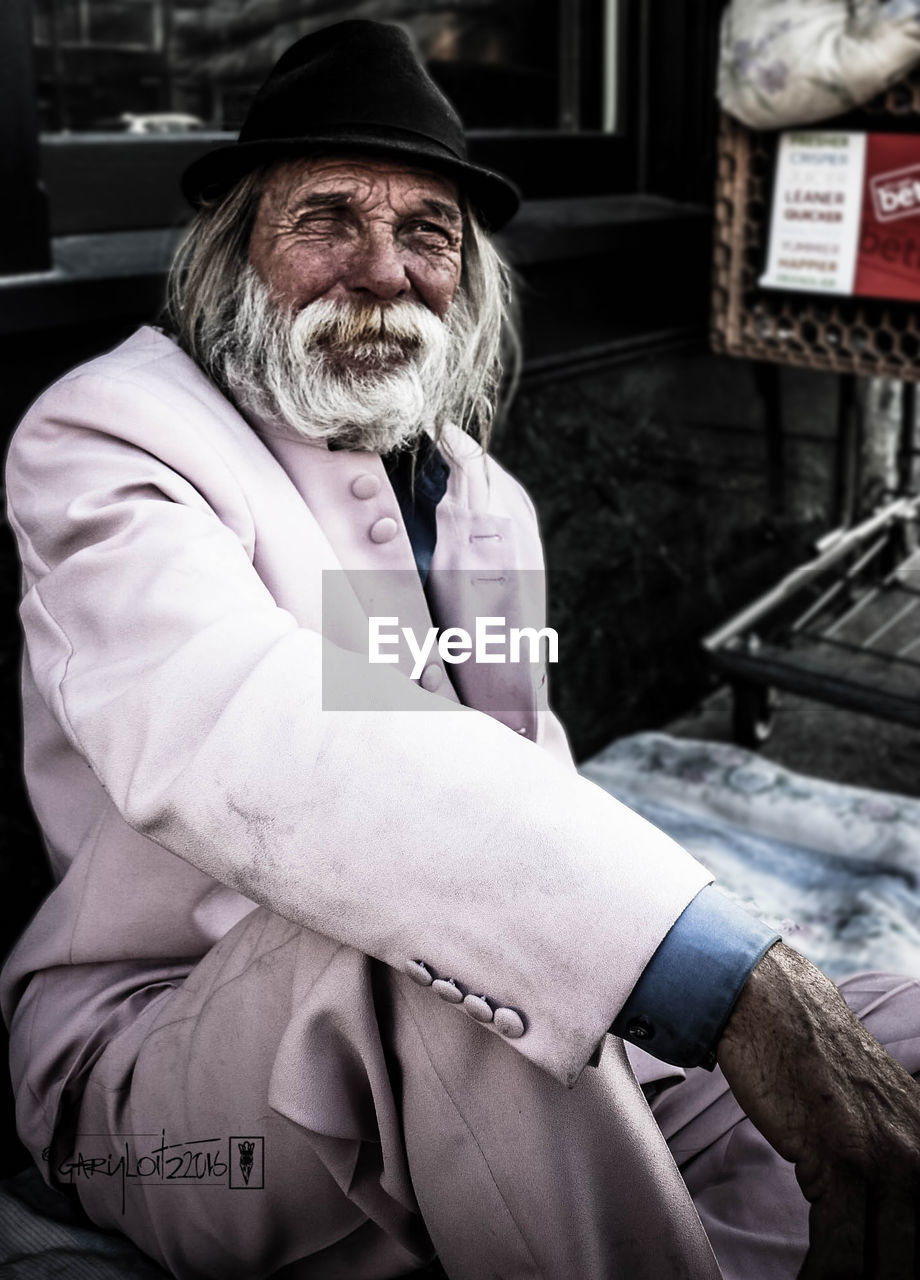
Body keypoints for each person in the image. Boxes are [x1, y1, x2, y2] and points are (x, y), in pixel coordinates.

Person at [2, 18, 919, 1280]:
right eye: (324, 217)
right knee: (443, 942)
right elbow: (243, 721)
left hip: (423, 1058)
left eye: (427, 232)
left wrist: (741, 993)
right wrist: (720, 973)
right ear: (231, 250)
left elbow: (521, 778)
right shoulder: (108, 441)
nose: (380, 270)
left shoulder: (479, 496)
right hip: (149, 1106)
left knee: (887, 1038)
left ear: (468, 272)